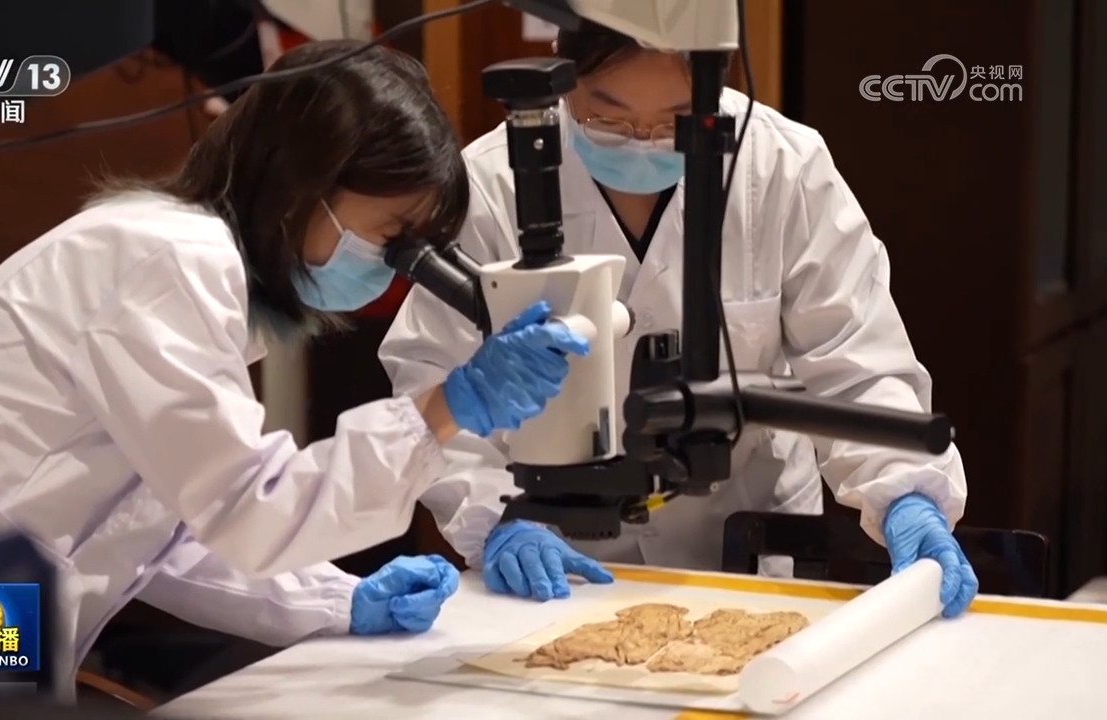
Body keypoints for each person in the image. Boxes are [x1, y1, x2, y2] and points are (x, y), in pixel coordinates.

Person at [0, 40, 589, 695]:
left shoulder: (190, 271)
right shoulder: (169, 261)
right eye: (390, 237)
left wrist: (337, 600)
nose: (392, 265)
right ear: (301, 186)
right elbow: (247, 509)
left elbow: (168, 527)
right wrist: (446, 406)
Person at [379, 23, 979, 618]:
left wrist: (906, 492)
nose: (641, 142)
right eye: (607, 118)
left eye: (674, 121)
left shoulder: (782, 167)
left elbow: (855, 361)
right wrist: (496, 518)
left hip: (748, 549)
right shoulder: (493, 183)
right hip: (562, 556)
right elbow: (432, 374)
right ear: (564, 78)